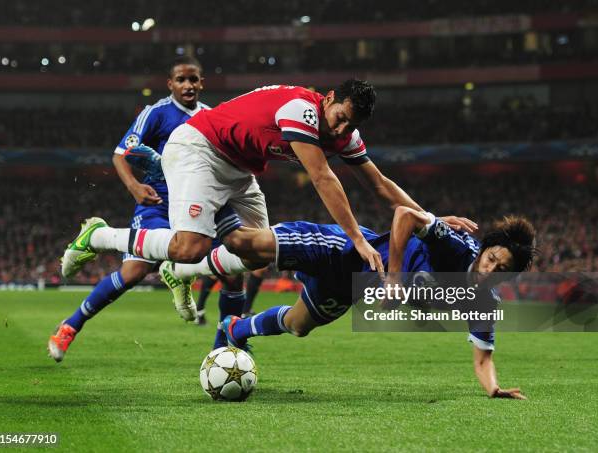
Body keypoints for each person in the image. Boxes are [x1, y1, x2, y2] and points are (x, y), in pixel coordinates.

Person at [61, 79, 455, 281]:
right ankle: (97, 235)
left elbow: (381, 184)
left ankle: (178, 274)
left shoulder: (343, 133)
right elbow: (322, 176)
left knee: (255, 254)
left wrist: (430, 219)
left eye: (352, 124)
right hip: (200, 148)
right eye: (341, 116)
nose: (343, 128)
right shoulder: (301, 110)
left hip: (238, 168)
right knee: (189, 246)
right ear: (329, 97)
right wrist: (355, 237)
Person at [167, 208, 534, 399]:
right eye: (491, 260)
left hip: (349, 288)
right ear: (484, 250)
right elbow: (405, 214)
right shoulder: (454, 246)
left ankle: (233, 328)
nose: (490, 271)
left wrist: (492, 388)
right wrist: (392, 276)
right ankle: (202, 228)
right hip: (342, 250)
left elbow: (483, 357)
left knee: (298, 326)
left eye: (501, 270)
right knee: (250, 248)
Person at [48, 57, 244, 361]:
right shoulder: (156, 113)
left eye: (194, 80)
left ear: (202, 83)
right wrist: (135, 187)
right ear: (170, 84)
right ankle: (71, 326)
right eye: (181, 80)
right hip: (160, 202)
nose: (188, 85)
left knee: (233, 270)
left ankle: (225, 349)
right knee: (132, 272)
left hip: (199, 202)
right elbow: (120, 154)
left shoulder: (210, 116)